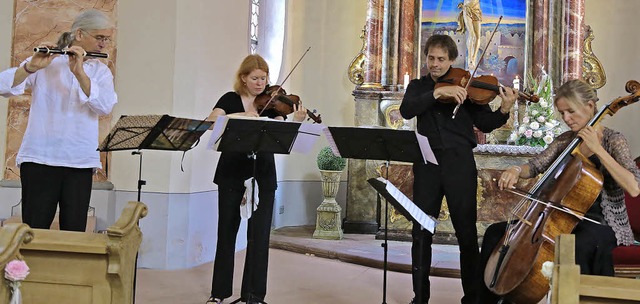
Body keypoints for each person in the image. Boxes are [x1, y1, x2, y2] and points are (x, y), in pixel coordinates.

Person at [477, 79, 640, 303]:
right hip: (559, 216)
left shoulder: (613, 140)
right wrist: (516, 170)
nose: (566, 119)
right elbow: (535, 166)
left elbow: (633, 187)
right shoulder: (566, 140)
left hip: (600, 221)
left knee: (578, 245)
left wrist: (598, 150)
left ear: (590, 107)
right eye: (562, 113)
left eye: (570, 111)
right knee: (496, 234)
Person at [399, 34, 518, 304]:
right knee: (421, 232)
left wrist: (504, 109)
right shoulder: (418, 87)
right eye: (431, 58)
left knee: (465, 232)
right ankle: (420, 298)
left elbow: (485, 123)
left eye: (441, 59)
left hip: (460, 164)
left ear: (452, 60)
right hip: (427, 164)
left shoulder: (466, 85)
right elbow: (407, 110)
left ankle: (473, 298)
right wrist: (437, 92)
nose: (435, 64)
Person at [0, 9, 117, 232]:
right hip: (40, 157)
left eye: (107, 39)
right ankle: (29, 268)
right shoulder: (48, 61)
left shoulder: (101, 72)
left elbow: (104, 106)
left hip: (79, 160)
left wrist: (80, 73)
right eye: (99, 37)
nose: (104, 44)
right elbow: (3, 86)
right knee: (34, 229)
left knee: (74, 231)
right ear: (80, 34)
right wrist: (29, 68)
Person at [205, 54, 307, 304]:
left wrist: (296, 121)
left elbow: (283, 135)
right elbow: (210, 122)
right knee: (226, 232)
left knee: (259, 236)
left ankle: (254, 295)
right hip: (231, 172)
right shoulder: (229, 99)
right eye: (255, 78)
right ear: (243, 78)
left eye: (264, 78)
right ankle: (219, 294)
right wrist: (240, 116)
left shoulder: (273, 105)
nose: (261, 83)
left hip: (262, 175)